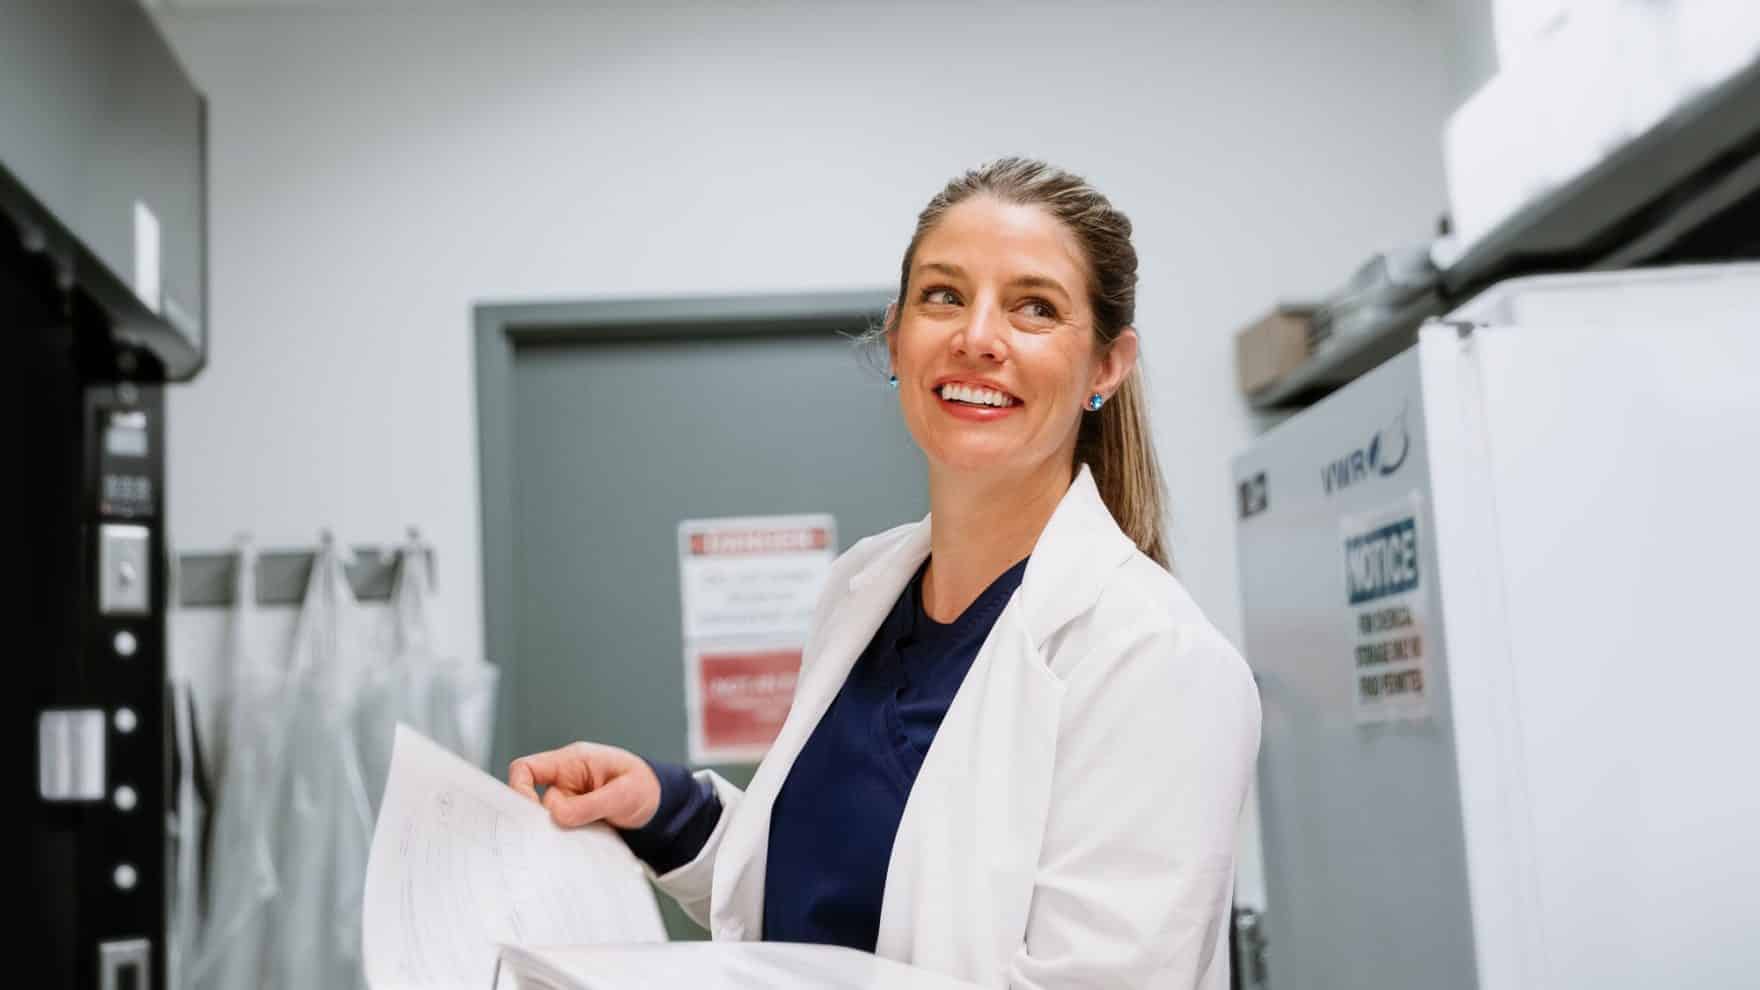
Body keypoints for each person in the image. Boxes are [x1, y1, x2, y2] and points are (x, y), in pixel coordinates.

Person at [508, 157, 1261, 987]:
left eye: (1034, 308)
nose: (978, 336)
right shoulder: (861, 591)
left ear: (1107, 368)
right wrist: (667, 809)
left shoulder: (1156, 661)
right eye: (944, 295)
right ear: (898, 336)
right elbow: (832, 896)